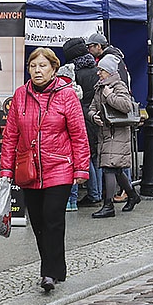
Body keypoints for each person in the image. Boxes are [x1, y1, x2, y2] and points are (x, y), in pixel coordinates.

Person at [0, 47, 90, 293]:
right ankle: (57, 266)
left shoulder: (66, 95)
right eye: (33, 66)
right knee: (37, 222)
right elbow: (10, 136)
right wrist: (6, 170)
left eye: (42, 66)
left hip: (59, 166)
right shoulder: (21, 95)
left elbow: (79, 135)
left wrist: (81, 168)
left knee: (53, 219)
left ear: (53, 69)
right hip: (29, 169)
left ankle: (48, 272)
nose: (37, 71)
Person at [87, 54, 142, 218]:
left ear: (109, 72)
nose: (99, 73)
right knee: (116, 170)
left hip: (117, 134)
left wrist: (109, 96)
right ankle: (133, 196)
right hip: (105, 133)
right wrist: (92, 116)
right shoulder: (100, 87)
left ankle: (108, 205)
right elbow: (91, 108)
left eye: (102, 70)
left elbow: (126, 106)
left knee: (109, 168)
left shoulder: (118, 86)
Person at [62, 37, 101, 210]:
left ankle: (93, 194)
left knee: (85, 157)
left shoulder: (73, 73)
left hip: (82, 115)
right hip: (97, 115)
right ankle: (98, 193)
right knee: (96, 155)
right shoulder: (97, 69)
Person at [56, 62, 84, 212]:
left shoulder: (61, 92)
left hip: (63, 141)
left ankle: (67, 202)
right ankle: (73, 201)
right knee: (73, 174)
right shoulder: (76, 90)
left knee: (65, 176)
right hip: (71, 140)